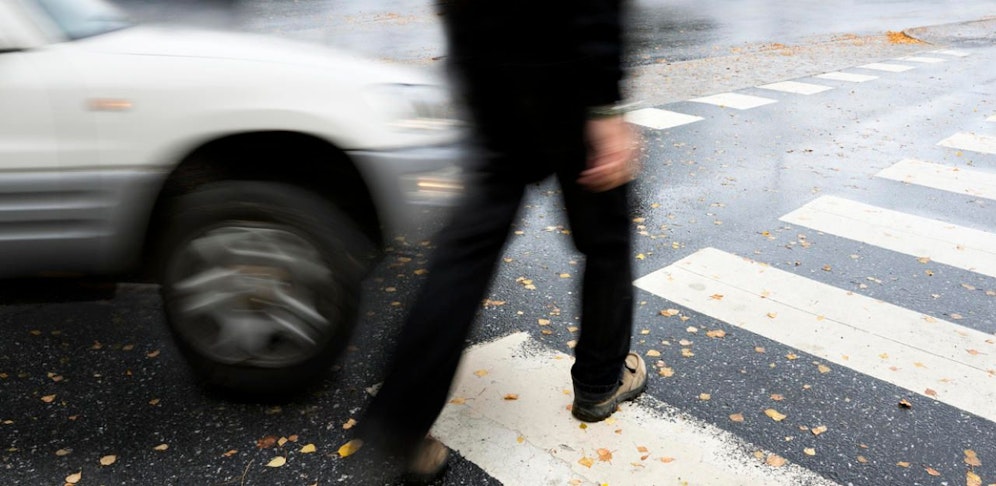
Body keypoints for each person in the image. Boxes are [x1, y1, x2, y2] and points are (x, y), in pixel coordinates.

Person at [354, 0, 645, 481]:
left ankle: (402, 420)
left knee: (468, 249)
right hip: (563, 64)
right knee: (606, 237)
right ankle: (599, 382)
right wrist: (604, 104)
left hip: (484, 62)